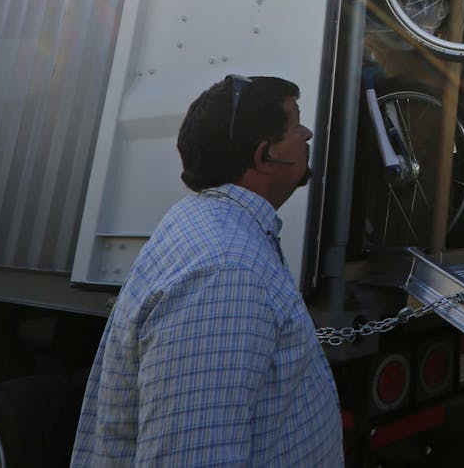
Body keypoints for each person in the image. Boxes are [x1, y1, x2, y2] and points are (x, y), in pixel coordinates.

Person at [71, 75, 343, 466]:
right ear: (264, 156)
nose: (308, 133)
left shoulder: (215, 227)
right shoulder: (224, 271)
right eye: (296, 123)